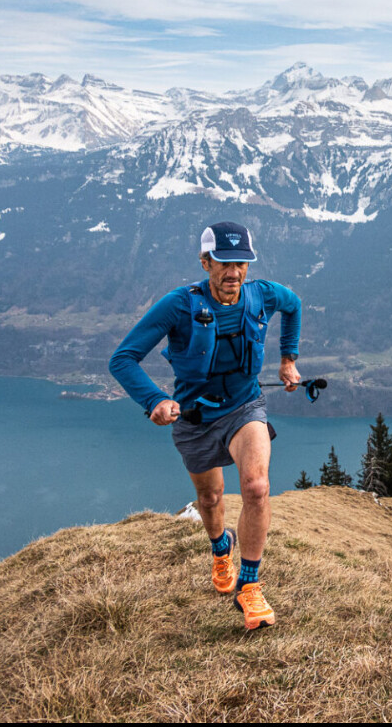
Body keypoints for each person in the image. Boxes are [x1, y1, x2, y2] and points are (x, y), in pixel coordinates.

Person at [108, 221, 301, 630]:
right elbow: (123, 359)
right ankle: (220, 548)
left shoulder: (262, 295)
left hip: (245, 406)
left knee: (256, 487)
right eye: (224, 263)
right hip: (195, 418)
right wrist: (155, 400)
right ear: (205, 262)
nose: (234, 272)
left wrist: (289, 359)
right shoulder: (179, 305)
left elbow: (294, 304)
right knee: (210, 499)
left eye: (241, 263)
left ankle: (249, 586)